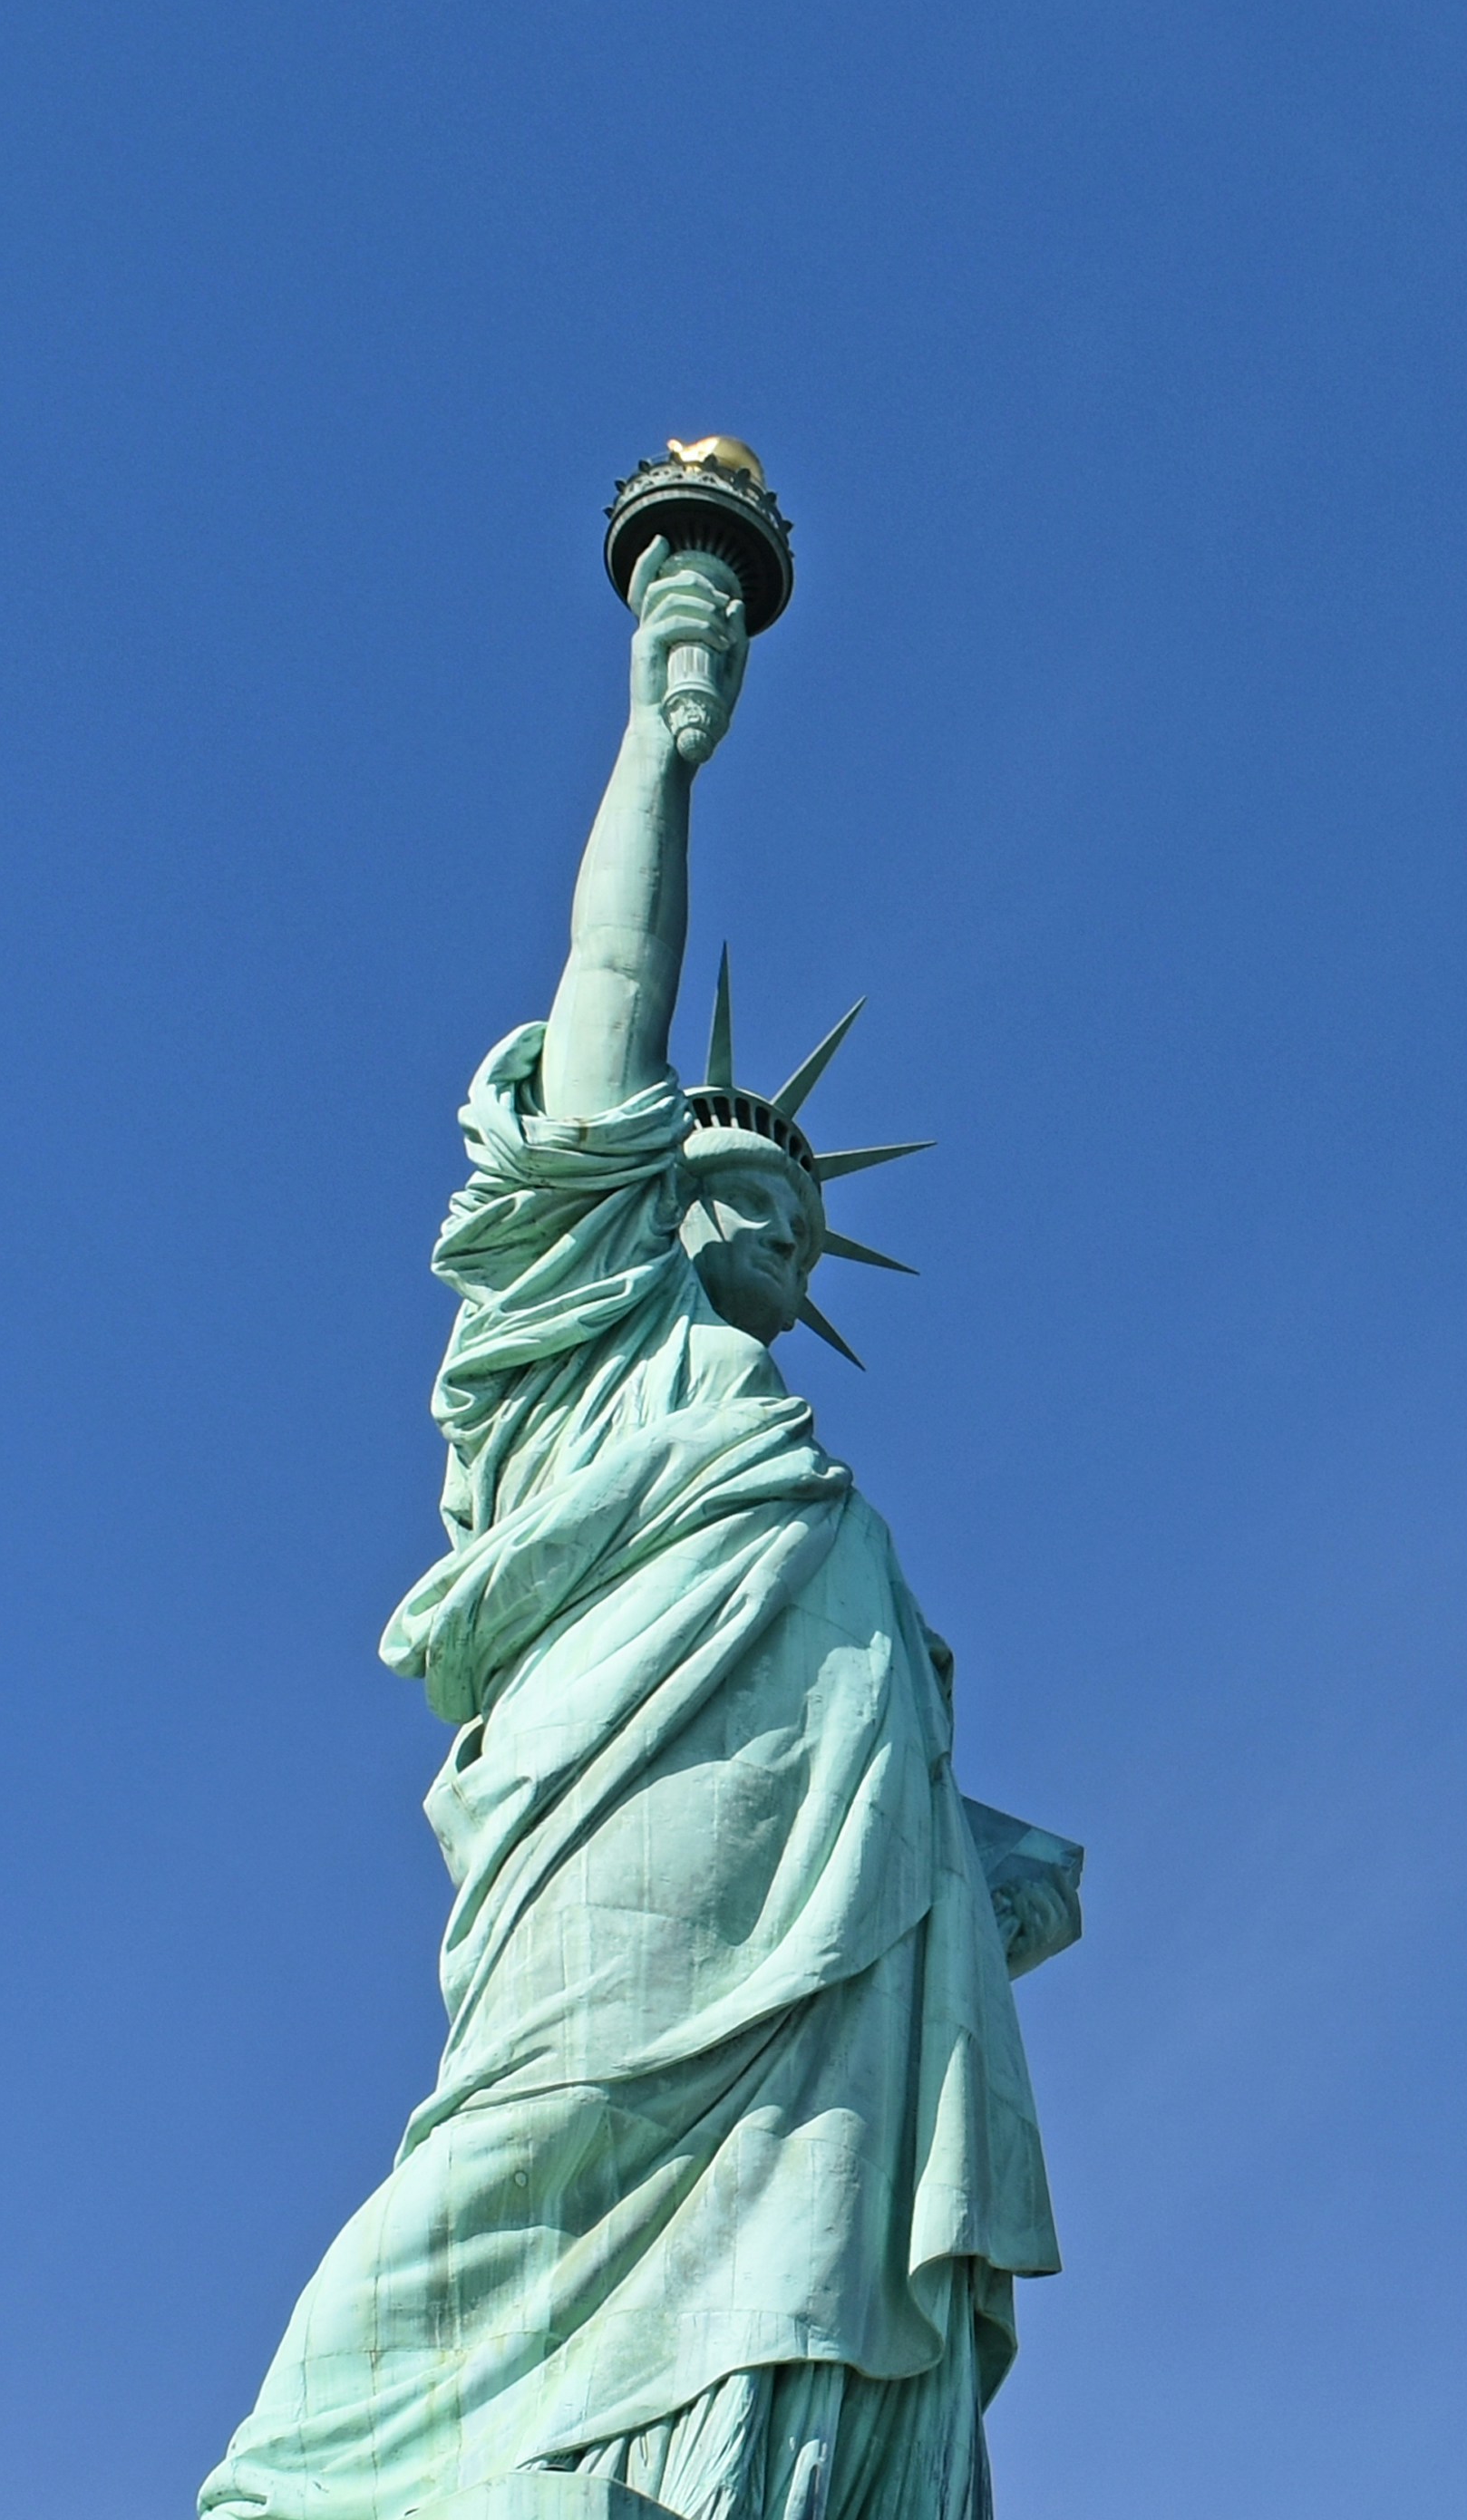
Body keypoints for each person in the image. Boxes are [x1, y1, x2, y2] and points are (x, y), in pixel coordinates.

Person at [204, 536, 1075, 2520]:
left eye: (794, 1188)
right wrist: (667, 724)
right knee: (491, 2195)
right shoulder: (583, 1345)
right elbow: (612, 986)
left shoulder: (809, 1478)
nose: (768, 1190)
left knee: (814, 2300)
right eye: (715, 1157)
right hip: (615, 1890)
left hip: (842, 1963)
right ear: (630, 1197)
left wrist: (978, 1865)